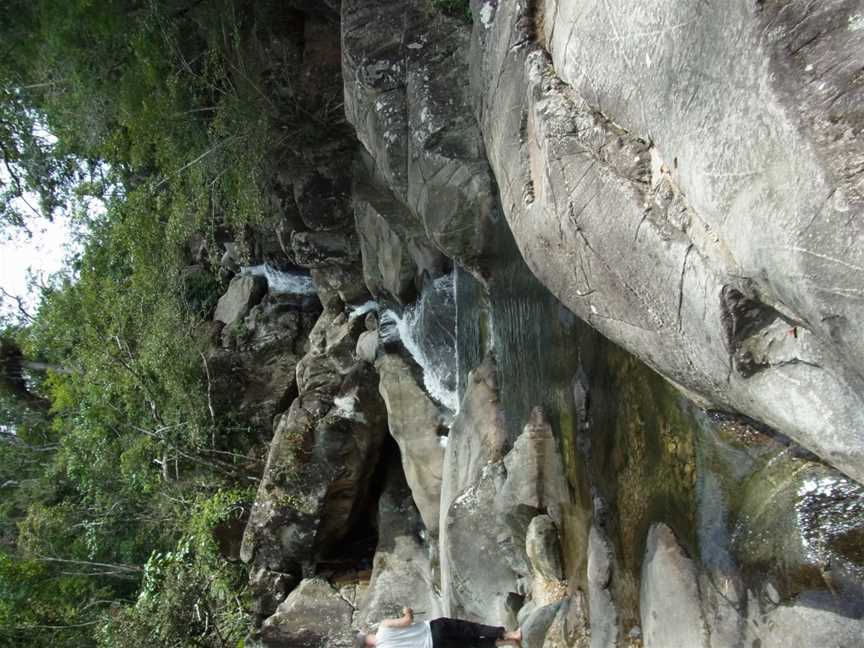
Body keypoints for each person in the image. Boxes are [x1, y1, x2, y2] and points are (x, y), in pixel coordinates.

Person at [356, 607, 522, 648]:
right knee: (474, 630)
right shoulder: (383, 627)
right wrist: (407, 611)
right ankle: (512, 635)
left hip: (436, 647)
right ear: (366, 637)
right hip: (435, 629)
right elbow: (407, 620)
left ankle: (507, 644)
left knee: (471, 646)